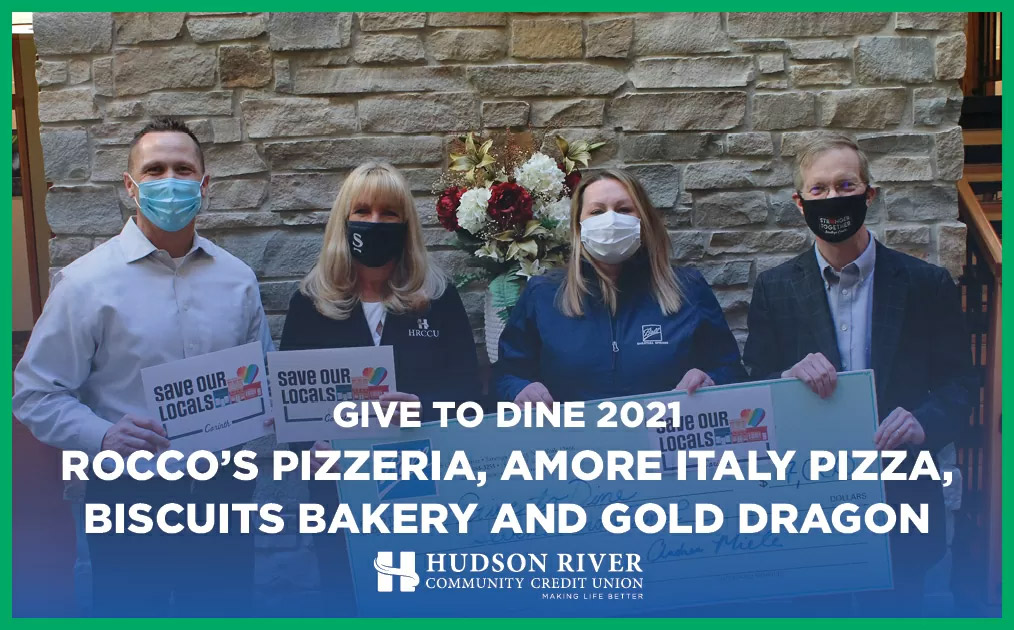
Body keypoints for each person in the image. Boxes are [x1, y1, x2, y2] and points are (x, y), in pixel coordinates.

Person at [12, 117, 273, 617]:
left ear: (204, 184)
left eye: (182, 168)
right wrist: (103, 436)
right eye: (154, 170)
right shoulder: (86, 283)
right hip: (128, 497)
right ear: (131, 187)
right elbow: (34, 393)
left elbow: (259, 376)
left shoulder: (238, 280)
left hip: (223, 493)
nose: (169, 181)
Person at [743, 134, 977, 615]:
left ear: (869, 194)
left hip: (903, 493)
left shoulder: (925, 284)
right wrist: (786, 376)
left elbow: (960, 383)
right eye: (820, 189)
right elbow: (756, 382)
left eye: (845, 184)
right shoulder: (774, 288)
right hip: (810, 500)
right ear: (799, 202)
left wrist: (923, 421)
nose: (833, 198)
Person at [278, 161, 481, 614]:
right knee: (347, 598)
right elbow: (291, 405)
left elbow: (470, 393)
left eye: (389, 213)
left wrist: (422, 409)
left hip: (423, 485)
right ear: (342, 221)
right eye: (362, 210)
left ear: (406, 223)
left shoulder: (439, 296)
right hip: (340, 495)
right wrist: (308, 450)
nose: (374, 222)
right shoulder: (309, 303)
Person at [494, 168, 746, 405]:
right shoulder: (544, 294)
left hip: (665, 441)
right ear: (578, 226)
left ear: (644, 221)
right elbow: (506, 376)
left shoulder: (688, 289)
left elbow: (733, 371)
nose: (611, 220)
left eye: (624, 209)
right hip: (575, 443)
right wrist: (519, 390)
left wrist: (712, 380)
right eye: (596, 212)